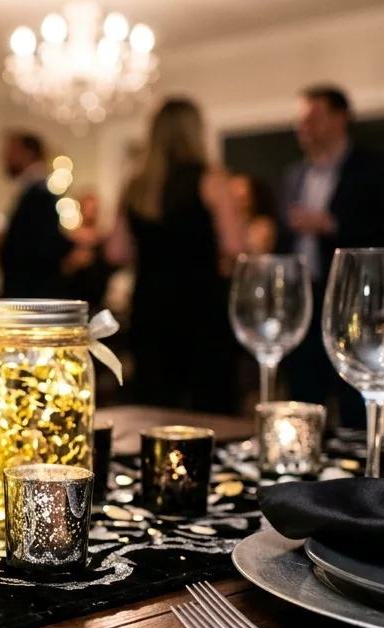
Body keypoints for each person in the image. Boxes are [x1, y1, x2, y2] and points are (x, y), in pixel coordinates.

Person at [106, 97, 246, 414]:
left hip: (151, 306)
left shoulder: (135, 184)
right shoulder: (211, 179)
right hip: (202, 307)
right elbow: (236, 246)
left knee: (156, 404)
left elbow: (116, 251)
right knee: (210, 404)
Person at [280, 85, 384, 427]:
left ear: (340, 118)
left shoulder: (376, 167)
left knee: (353, 394)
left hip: (355, 299)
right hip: (304, 298)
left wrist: (331, 224)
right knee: (303, 392)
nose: (303, 127)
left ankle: (354, 473)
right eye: (300, 121)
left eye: (313, 119)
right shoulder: (293, 175)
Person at [0, 130, 75, 299]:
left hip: (32, 295)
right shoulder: (33, 190)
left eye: (11, 151)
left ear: (28, 153)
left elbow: (42, 247)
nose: (4, 157)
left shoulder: (40, 193)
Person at [61, 190, 114, 312]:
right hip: (72, 298)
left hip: (96, 300)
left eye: (94, 208)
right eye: (88, 207)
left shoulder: (103, 239)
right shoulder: (70, 238)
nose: (91, 212)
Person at [230, 174, 279, 254]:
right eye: (231, 198)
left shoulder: (263, 226)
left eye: (241, 199)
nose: (236, 204)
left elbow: (252, 253)